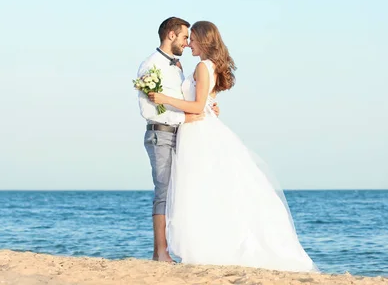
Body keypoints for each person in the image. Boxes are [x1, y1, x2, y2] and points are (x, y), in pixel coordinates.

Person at [148, 21, 319, 272]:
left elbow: (196, 106)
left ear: (203, 40)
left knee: (201, 189)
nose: (189, 43)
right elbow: (204, 102)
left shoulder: (203, 67)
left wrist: (162, 98)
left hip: (197, 132)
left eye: (192, 38)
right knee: (204, 190)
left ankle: (208, 245)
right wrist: (208, 105)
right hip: (195, 130)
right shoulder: (206, 66)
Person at [137, 17, 218, 262]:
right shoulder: (150, 66)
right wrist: (186, 118)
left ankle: (171, 249)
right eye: (184, 37)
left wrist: (209, 107)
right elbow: (149, 110)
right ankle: (161, 252)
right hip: (160, 133)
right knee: (163, 191)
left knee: (179, 192)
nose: (186, 43)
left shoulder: (178, 66)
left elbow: (190, 96)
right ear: (171, 35)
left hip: (179, 136)